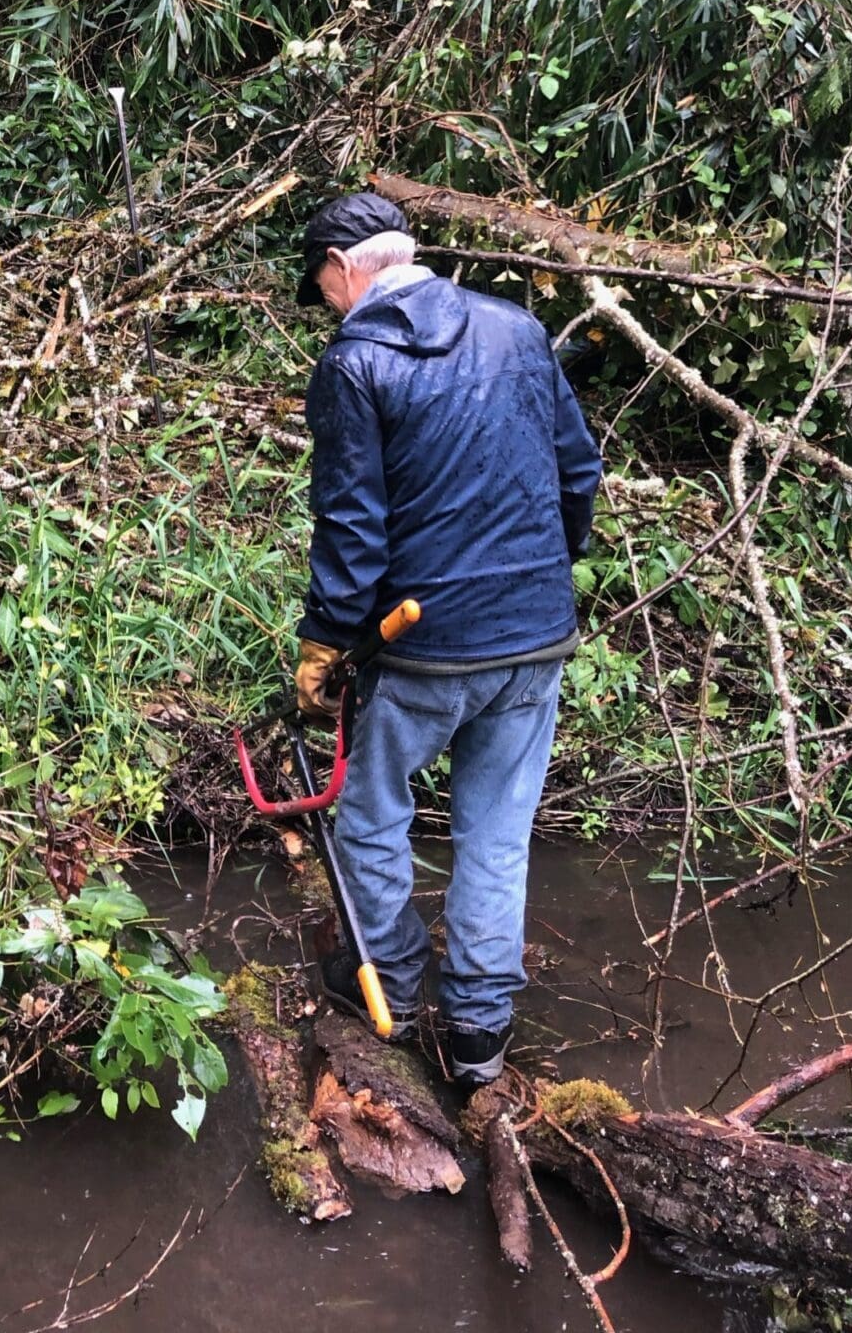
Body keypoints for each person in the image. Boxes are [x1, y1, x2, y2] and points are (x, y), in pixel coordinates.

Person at [293, 190, 602, 1086]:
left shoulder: (356, 365)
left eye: (323, 288)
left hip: (424, 643)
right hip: (535, 637)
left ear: (350, 269)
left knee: (375, 808)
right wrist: (547, 564)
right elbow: (577, 470)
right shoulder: (515, 329)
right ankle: (477, 1033)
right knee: (498, 834)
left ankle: (384, 979)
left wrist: (325, 644)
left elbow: (351, 527)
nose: (330, 308)